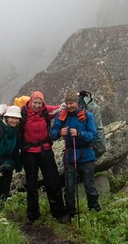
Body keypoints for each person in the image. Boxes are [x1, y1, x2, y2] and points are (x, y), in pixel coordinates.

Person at [19, 91, 69, 224]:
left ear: (42, 103)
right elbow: (5, 111)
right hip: (29, 152)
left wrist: (74, 98)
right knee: (31, 184)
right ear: (30, 101)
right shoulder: (22, 112)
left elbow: (60, 108)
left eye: (39, 103)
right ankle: (32, 215)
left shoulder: (46, 111)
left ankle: (58, 213)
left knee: (53, 182)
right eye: (35, 102)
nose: (36, 105)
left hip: (45, 151)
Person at [51, 89, 101, 218]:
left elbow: (94, 136)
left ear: (77, 102)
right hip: (69, 155)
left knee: (89, 186)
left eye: (71, 103)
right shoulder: (61, 116)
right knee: (69, 187)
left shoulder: (87, 116)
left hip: (86, 155)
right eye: (67, 103)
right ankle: (70, 212)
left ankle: (94, 209)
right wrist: (58, 133)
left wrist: (79, 134)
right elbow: (52, 134)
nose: (69, 106)